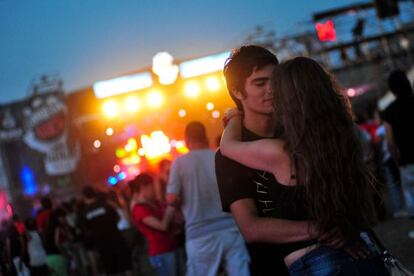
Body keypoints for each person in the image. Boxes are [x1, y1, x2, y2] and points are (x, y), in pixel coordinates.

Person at [220, 56, 387, 275]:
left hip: (322, 264)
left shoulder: (282, 151)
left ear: (290, 98)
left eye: (276, 85)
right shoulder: (344, 137)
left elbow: (228, 146)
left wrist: (233, 116)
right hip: (362, 253)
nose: (271, 91)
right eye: (262, 83)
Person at [215, 45, 319, 275]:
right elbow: (250, 227)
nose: (272, 89)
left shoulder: (298, 130)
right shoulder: (229, 154)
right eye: (260, 83)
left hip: (329, 258)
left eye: (276, 80)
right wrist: (321, 229)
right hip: (274, 267)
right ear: (237, 92)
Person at [167, 121, 250, 276]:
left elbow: (171, 199)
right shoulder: (219, 156)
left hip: (199, 235)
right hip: (231, 229)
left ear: (186, 140)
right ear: (205, 137)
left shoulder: (179, 163)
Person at [130, 173, 182, 276]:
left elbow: (178, 218)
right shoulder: (139, 209)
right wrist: (171, 206)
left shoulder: (156, 203)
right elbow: (162, 226)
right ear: (143, 188)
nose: (155, 190)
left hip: (173, 247)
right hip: (161, 253)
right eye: (152, 187)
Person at [382, 69, 414, 236]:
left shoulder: (389, 111)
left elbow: (390, 142)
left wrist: (396, 160)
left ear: (392, 89)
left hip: (407, 161)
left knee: (411, 195)